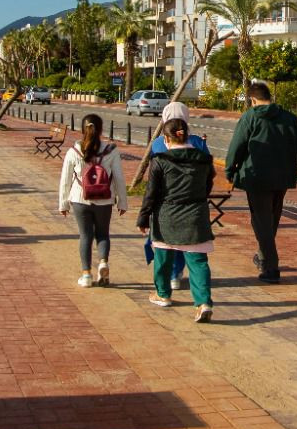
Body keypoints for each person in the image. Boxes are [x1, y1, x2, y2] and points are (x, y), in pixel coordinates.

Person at [225, 81, 297, 283]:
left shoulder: (249, 117)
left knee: (261, 221)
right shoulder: (290, 118)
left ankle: (271, 267)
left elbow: (237, 145)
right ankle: (263, 254)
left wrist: (230, 169)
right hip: (282, 177)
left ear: (252, 99)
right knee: (271, 219)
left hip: (256, 176)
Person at [137, 118, 216, 322]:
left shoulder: (160, 161)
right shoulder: (203, 159)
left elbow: (151, 192)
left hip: (167, 214)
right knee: (198, 261)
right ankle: (203, 302)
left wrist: (143, 217)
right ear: (187, 134)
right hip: (196, 213)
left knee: (163, 258)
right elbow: (208, 184)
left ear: (166, 138)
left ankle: (163, 294)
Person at [133, 101, 209, 290]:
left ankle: (164, 288)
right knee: (190, 242)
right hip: (193, 202)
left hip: (165, 203)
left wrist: (143, 215)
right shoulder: (198, 142)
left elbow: (153, 183)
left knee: (165, 244)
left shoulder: (158, 143)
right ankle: (178, 275)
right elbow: (208, 173)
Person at [58, 113, 128, 286]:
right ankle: (103, 262)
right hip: (105, 200)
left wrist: (63, 203)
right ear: (101, 129)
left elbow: (65, 179)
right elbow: (119, 178)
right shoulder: (111, 151)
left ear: (82, 129)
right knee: (103, 234)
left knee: (85, 235)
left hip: (79, 199)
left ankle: (86, 275)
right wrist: (122, 202)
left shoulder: (74, 151)